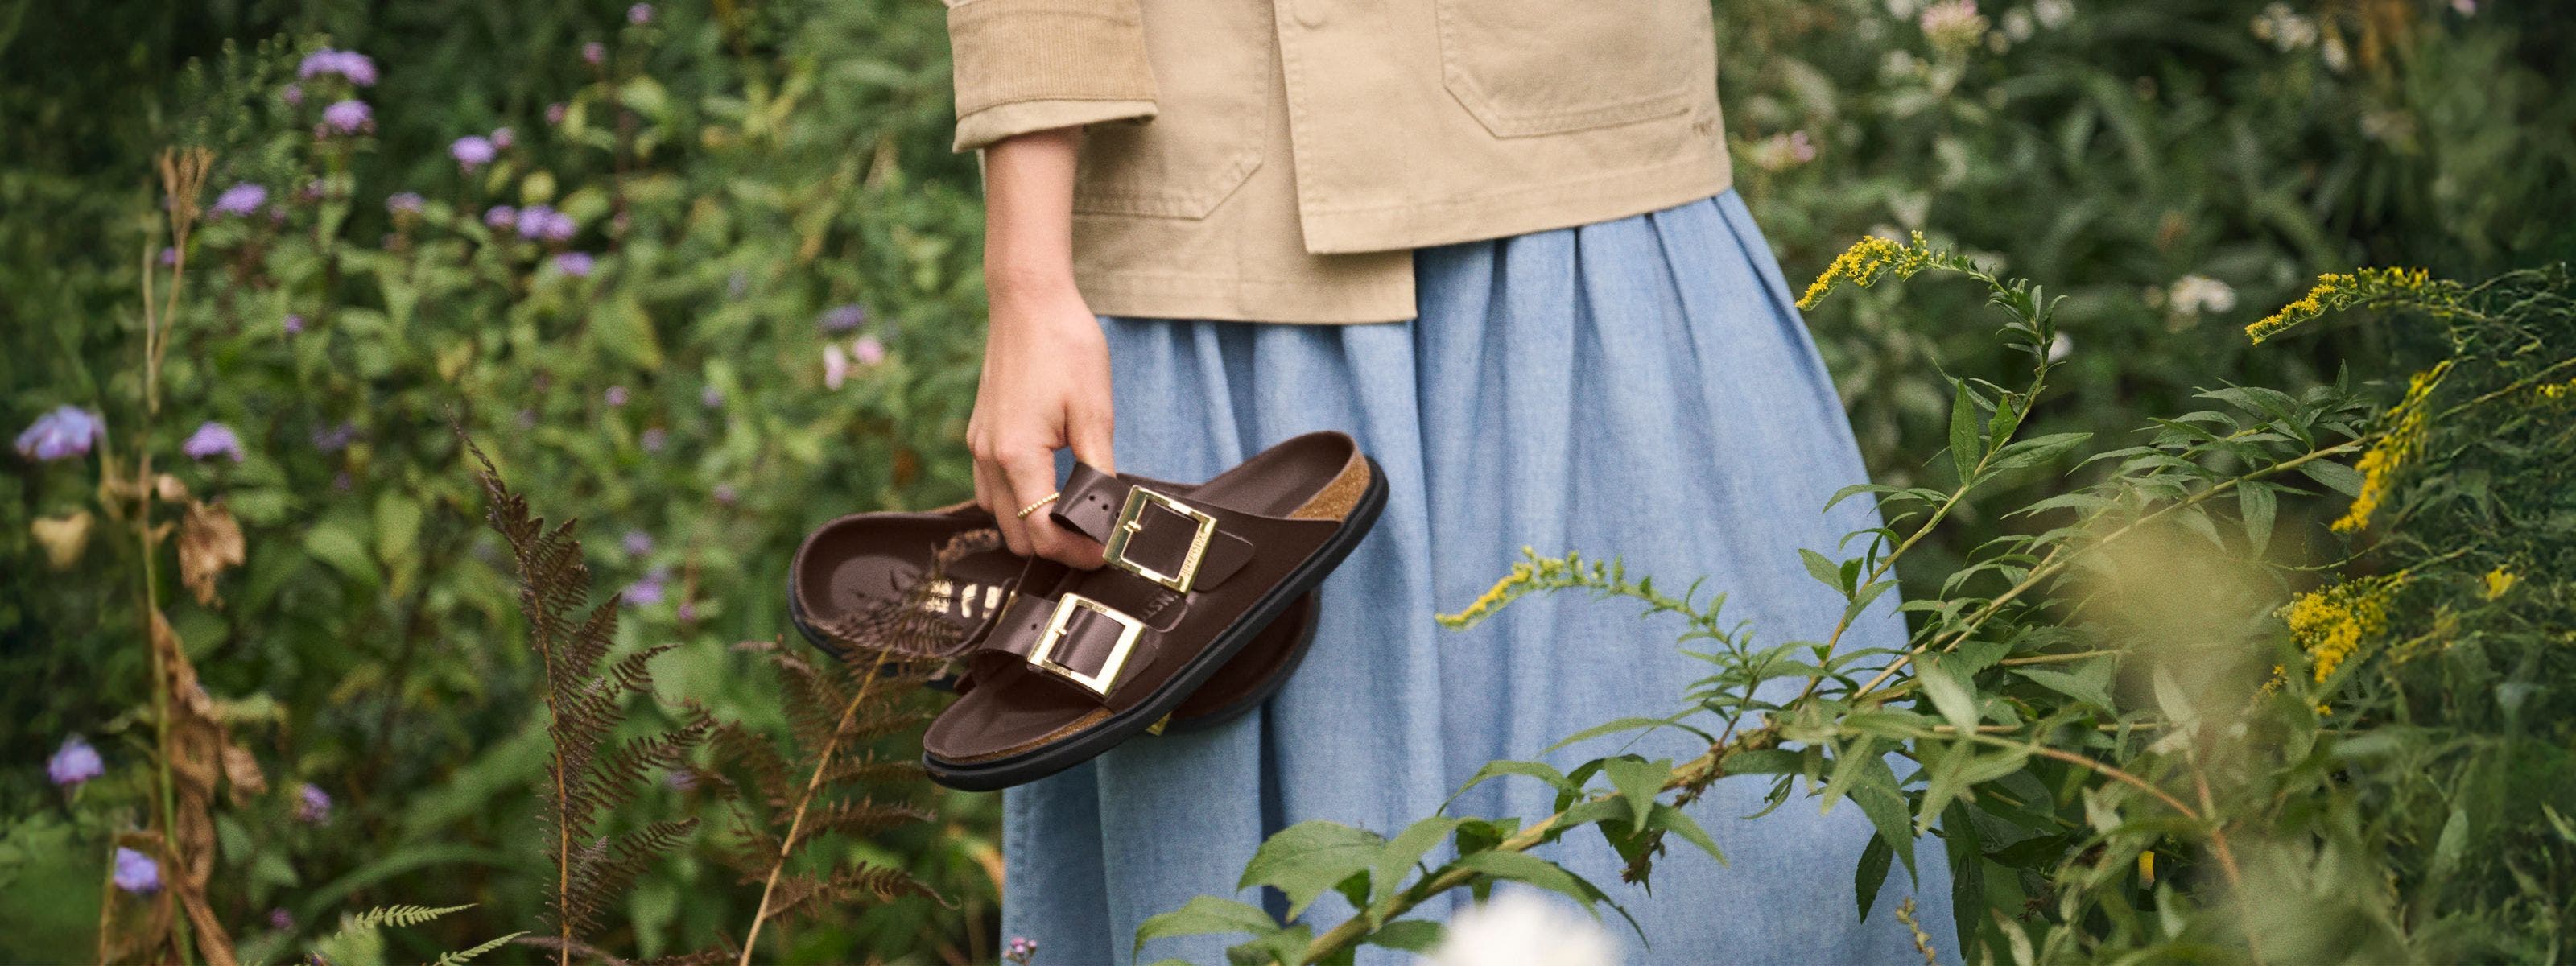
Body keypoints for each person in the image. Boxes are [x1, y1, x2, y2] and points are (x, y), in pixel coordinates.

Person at [945, 0, 1951, 960]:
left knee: (1747, 852)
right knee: (1246, 900)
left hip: (1592, 188)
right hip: (1215, 236)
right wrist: (1026, 280)